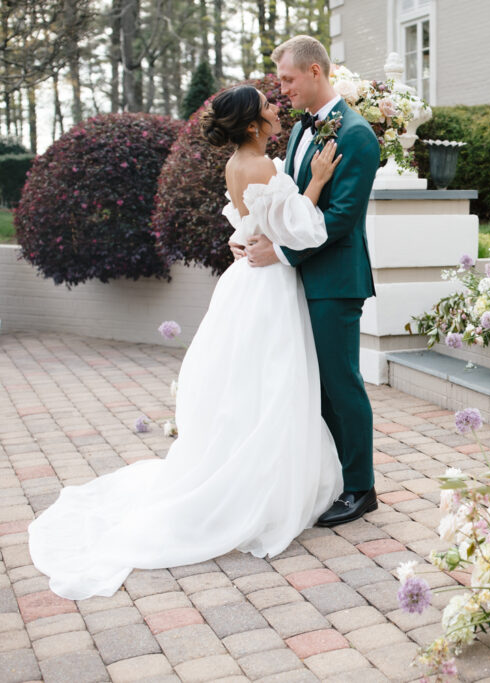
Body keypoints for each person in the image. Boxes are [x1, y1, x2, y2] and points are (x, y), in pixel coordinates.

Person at [28, 85, 344, 600]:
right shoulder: (263, 167)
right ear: (251, 125)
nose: (274, 108)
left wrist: (245, 233)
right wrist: (318, 182)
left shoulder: (237, 164)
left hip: (244, 281)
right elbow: (301, 229)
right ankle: (258, 489)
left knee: (248, 384)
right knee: (274, 381)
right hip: (267, 285)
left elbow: (247, 224)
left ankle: (247, 471)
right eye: (266, 106)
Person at [239, 35, 380, 527]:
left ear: (316, 72)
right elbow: (295, 203)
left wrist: (278, 252)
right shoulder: (301, 129)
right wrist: (252, 236)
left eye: (288, 79)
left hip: (336, 280)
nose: (282, 90)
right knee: (314, 385)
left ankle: (361, 488)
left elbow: (340, 217)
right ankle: (334, 478)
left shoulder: (358, 136)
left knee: (341, 383)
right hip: (300, 278)